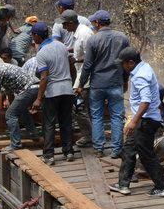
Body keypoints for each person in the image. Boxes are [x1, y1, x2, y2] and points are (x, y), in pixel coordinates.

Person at [109, 47, 164, 197]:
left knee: (146, 154)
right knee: (129, 149)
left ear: (130, 63)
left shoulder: (140, 76)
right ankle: (123, 184)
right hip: (144, 119)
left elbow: (146, 101)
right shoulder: (144, 67)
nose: (122, 67)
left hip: (146, 120)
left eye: (123, 63)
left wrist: (133, 122)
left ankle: (162, 186)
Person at [78, 10, 130, 158]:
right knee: (116, 116)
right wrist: (125, 80)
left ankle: (99, 148)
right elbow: (127, 61)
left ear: (97, 23)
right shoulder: (122, 37)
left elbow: (87, 65)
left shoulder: (93, 40)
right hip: (115, 82)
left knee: (97, 116)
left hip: (98, 84)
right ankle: (116, 149)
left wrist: (81, 84)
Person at [30, 22, 76, 165]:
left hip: (53, 92)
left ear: (37, 36)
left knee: (49, 124)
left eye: (33, 36)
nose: (32, 39)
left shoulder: (42, 53)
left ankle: (49, 155)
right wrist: (72, 83)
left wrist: (38, 98)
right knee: (66, 121)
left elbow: (44, 77)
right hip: (67, 90)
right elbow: (71, 66)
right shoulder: (62, 46)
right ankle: (68, 151)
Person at [0, 62, 40, 151]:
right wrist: (8, 105)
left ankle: (15, 144)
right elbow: (8, 91)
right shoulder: (2, 66)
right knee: (21, 111)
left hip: (29, 89)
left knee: (10, 115)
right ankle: (34, 134)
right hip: (35, 87)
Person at [58, 9, 94, 147]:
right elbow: (79, 51)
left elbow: (90, 58)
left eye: (65, 24)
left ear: (72, 23)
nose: (64, 27)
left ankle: (88, 135)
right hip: (81, 72)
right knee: (83, 106)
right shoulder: (78, 33)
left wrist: (76, 62)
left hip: (85, 75)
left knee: (77, 106)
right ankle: (91, 134)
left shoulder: (84, 34)